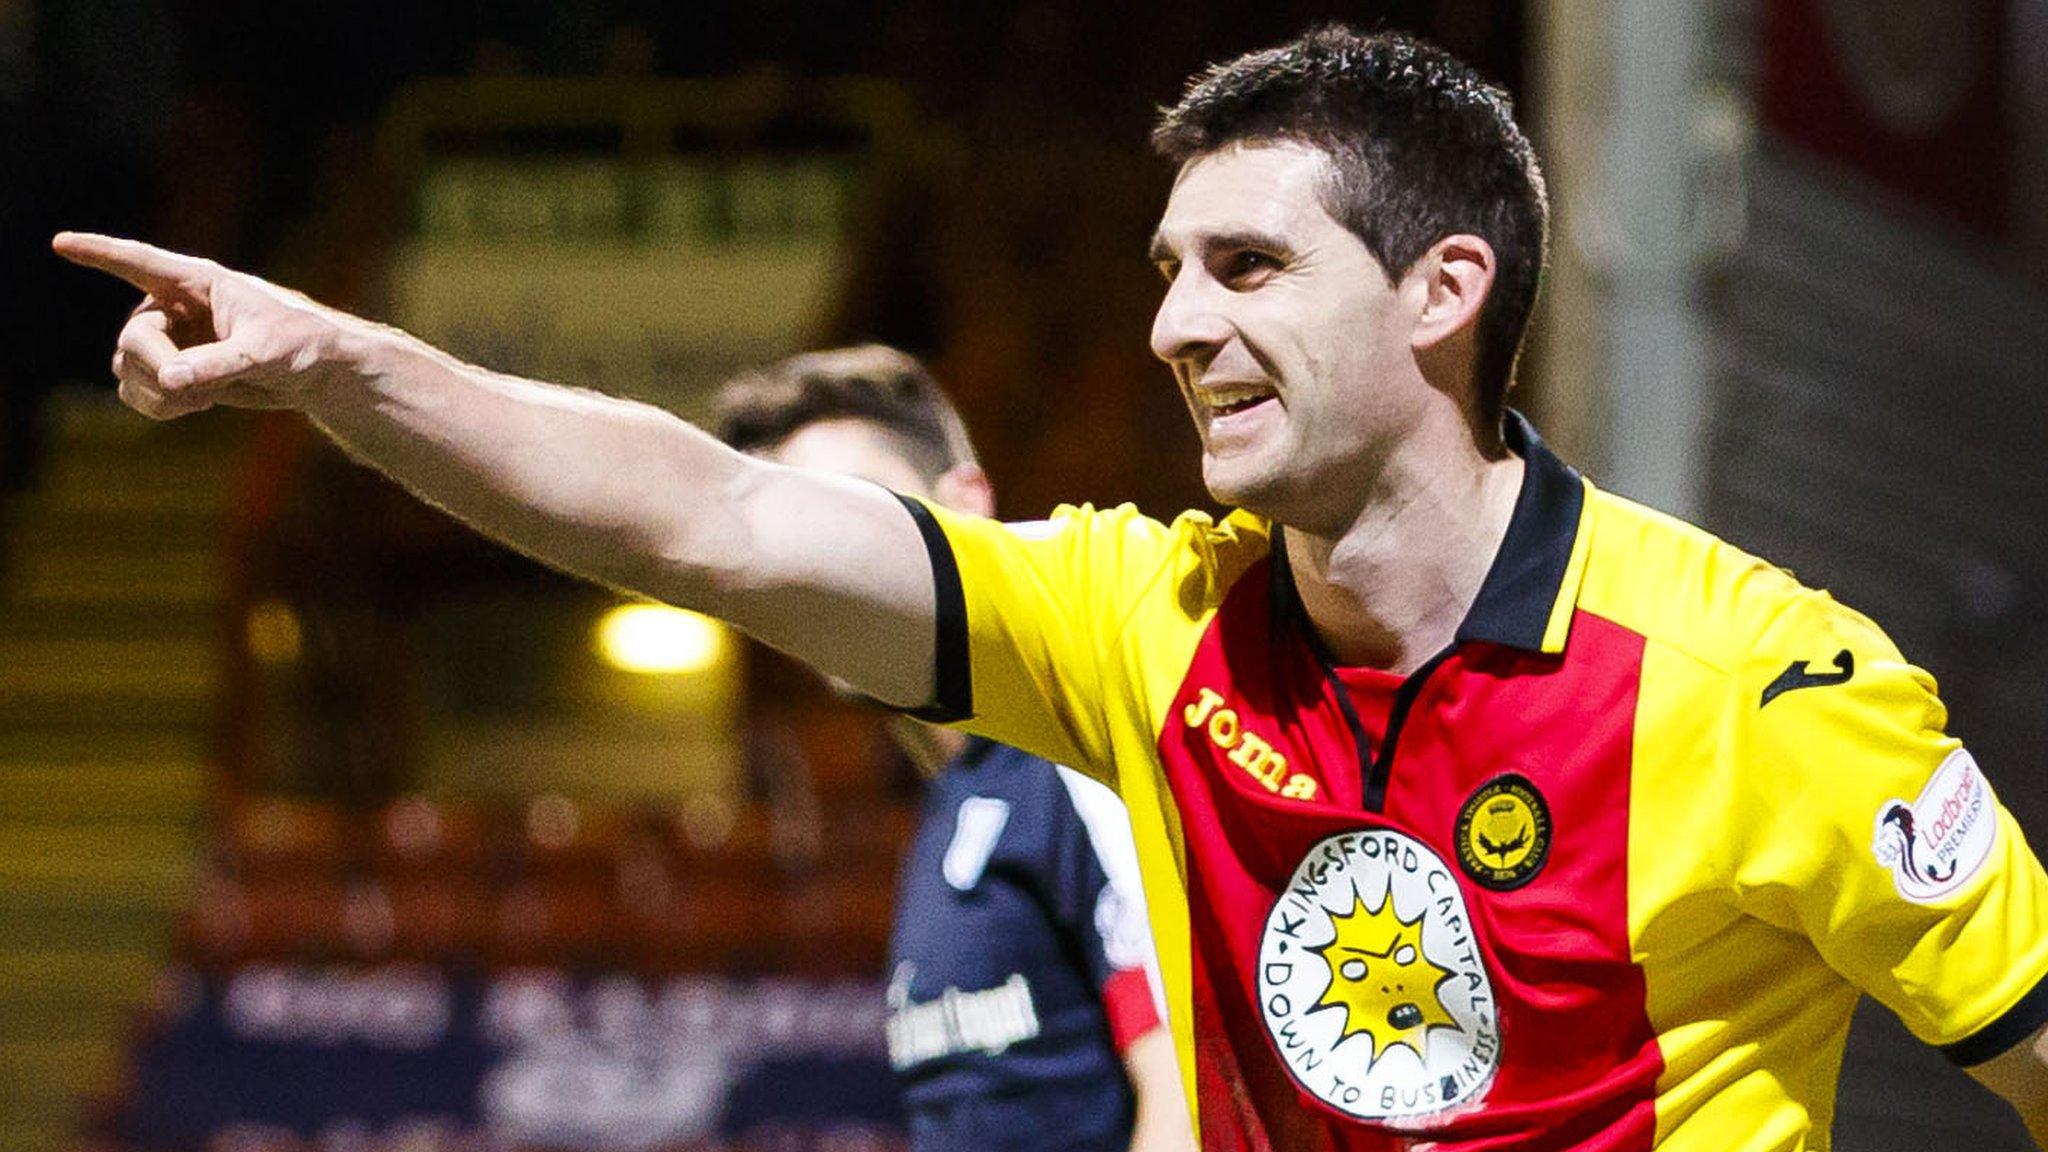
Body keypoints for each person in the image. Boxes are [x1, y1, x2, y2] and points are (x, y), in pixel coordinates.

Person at [55, 23, 2048, 1151]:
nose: (1178, 322)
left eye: (1249, 267)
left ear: (1446, 293)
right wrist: (338, 361)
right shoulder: (1142, 621)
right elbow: (700, 523)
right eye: (1167, 271)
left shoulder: (1758, 687)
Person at [711, 344, 1192, 1152]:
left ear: (965, 503)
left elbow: (1186, 1095)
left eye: (855, 516)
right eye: (795, 538)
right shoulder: (950, 794)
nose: (818, 568)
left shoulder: (1076, 769)